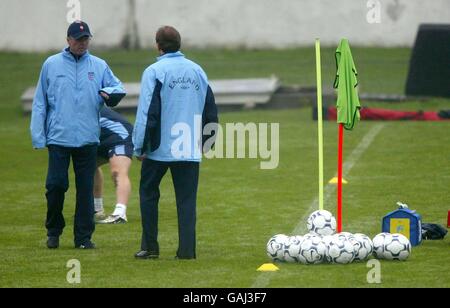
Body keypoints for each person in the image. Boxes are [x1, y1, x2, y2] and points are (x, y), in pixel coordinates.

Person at [30, 21, 126, 249]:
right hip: (58, 138)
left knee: (85, 191)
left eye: (86, 39)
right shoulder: (51, 65)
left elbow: (118, 87)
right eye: (78, 39)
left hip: (88, 138)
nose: (82, 43)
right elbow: (40, 102)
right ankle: (53, 231)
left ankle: (83, 238)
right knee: (55, 186)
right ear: (68, 40)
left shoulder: (99, 65)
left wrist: (109, 92)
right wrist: (38, 135)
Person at [132, 26, 218, 259]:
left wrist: (139, 146)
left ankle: (150, 248)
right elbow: (210, 107)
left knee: (149, 194)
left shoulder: (154, 71)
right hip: (189, 147)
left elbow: (148, 112)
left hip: (159, 149)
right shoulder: (197, 70)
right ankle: (187, 251)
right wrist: (208, 141)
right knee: (187, 201)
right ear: (179, 44)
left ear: (158, 45)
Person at [94, 107, 133, 224]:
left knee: (118, 171)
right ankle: (97, 209)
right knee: (88, 167)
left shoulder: (85, 107)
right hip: (101, 139)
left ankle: (120, 213)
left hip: (121, 136)